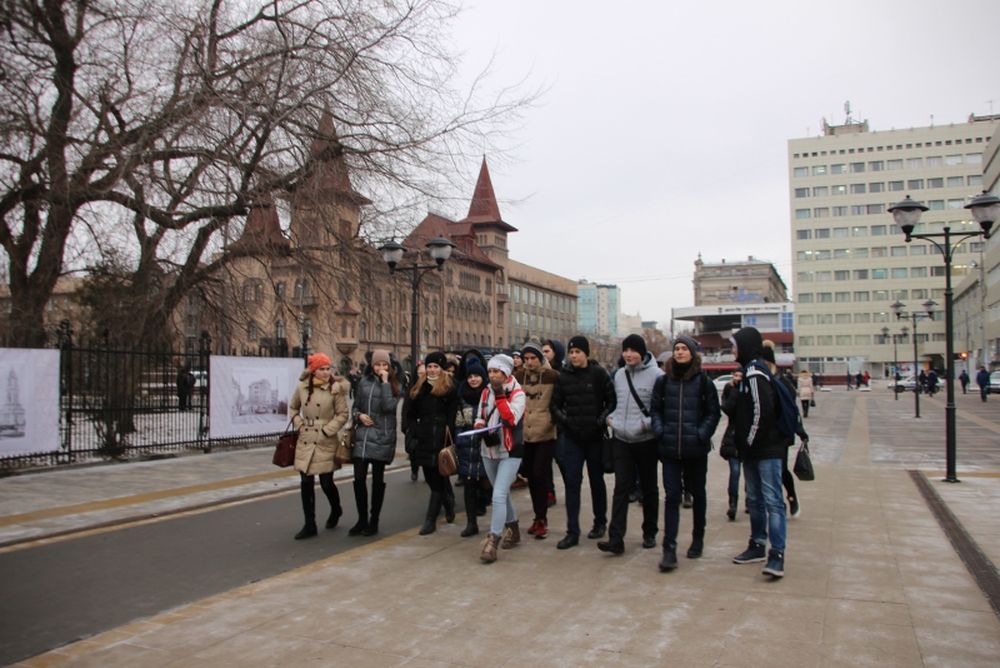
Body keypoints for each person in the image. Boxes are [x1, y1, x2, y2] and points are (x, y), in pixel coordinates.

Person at [650, 335, 720, 571]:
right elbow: (655, 410)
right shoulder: (664, 381)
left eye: (683, 349)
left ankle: (697, 537)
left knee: (698, 494)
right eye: (676, 349)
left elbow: (714, 413)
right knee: (671, 497)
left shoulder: (703, 382)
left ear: (692, 353)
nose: (679, 352)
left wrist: (701, 434)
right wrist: (660, 431)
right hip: (669, 449)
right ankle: (669, 549)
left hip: (696, 450)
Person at [729, 327, 787, 578]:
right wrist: (732, 388)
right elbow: (732, 410)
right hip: (752, 450)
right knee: (754, 499)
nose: (732, 349)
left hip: (766, 450)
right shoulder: (745, 374)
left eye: (734, 344)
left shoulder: (755, 374)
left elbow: (761, 413)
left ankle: (777, 555)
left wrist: (749, 443)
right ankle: (757, 544)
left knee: (773, 501)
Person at [598, 334, 663, 556]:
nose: (629, 354)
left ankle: (650, 532)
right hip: (622, 439)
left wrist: (646, 425)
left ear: (642, 353)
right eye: (626, 350)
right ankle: (616, 538)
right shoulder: (618, 375)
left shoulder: (657, 376)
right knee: (621, 488)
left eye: (634, 350)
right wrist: (611, 419)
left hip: (646, 441)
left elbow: (661, 410)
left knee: (649, 488)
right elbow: (615, 402)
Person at [550, 335, 615, 550]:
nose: (574, 355)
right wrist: (566, 420)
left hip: (595, 437)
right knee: (572, 484)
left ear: (586, 353)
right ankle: (572, 531)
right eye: (571, 352)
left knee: (597, 482)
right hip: (572, 439)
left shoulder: (598, 374)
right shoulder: (563, 377)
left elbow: (611, 401)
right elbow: (555, 405)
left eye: (578, 351)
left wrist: (600, 419)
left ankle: (600, 522)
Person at [288, 353, 350, 540]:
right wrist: (299, 424)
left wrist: (327, 430)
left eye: (327, 368)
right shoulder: (302, 387)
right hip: (306, 438)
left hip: (325, 439)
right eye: (321, 369)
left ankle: (336, 508)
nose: (325, 372)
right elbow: (292, 408)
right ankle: (309, 524)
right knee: (306, 482)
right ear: (313, 370)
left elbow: (342, 414)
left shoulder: (335, 389)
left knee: (326, 482)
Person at [475, 354, 526, 563]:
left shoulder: (518, 393)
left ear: (506, 373)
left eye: (497, 371)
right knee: (501, 494)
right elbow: (480, 414)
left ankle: (493, 540)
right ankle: (514, 529)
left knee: (497, 496)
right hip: (488, 449)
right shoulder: (485, 390)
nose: (493, 375)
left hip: (510, 450)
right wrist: (479, 425)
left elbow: (511, 418)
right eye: (490, 371)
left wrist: (499, 395)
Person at [403, 351, 459, 535]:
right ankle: (448, 503)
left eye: (436, 366)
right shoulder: (419, 387)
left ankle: (430, 520)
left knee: (437, 480)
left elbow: (452, 415)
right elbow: (410, 413)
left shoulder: (450, 387)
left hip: (441, 438)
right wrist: (413, 430)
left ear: (442, 369)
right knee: (431, 478)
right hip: (424, 437)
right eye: (429, 367)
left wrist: (450, 435)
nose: (432, 370)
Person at [348, 350, 400, 537]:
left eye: (384, 365)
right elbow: (355, 407)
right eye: (377, 365)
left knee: (377, 480)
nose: (380, 368)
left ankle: (374, 519)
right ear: (372, 365)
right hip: (363, 435)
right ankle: (361, 519)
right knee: (359, 478)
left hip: (381, 437)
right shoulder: (363, 382)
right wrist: (359, 416)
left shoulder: (394, 384)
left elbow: (389, 407)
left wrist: (385, 383)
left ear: (389, 366)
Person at [514, 341, 559, 539]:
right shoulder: (518, 377)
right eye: (526, 359)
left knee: (540, 474)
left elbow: (560, 401)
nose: (530, 362)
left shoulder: (552, 376)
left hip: (545, 433)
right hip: (525, 434)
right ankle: (537, 516)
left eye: (533, 358)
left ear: (540, 358)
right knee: (531, 476)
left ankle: (542, 518)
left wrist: (555, 420)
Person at [762, 343, 807, 519]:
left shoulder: (782, 382)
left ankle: (790, 496)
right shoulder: (757, 379)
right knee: (766, 470)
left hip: (781, 435)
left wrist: (800, 430)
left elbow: (792, 410)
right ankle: (772, 502)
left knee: (780, 469)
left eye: (766, 363)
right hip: (763, 434)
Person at [454, 350, 489, 537]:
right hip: (467, 447)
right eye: (470, 376)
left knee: (486, 484)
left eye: (477, 376)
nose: (473, 379)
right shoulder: (463, 398)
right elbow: (459, 423)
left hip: (485, 447)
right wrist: (460, 439)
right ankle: (471, 522)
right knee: (469, 486)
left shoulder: (489, 396)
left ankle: (485, 507)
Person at [720, 370, 744, 521]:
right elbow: (727, 409)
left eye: (740, 376)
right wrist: (734, 392)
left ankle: (749, 500)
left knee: (750, 473)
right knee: (735, 472)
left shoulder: (750, 391)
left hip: (747, 439)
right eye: (735, 376)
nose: (737, 379)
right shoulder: (730, 391)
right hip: (733, 437)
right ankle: (733, 503)